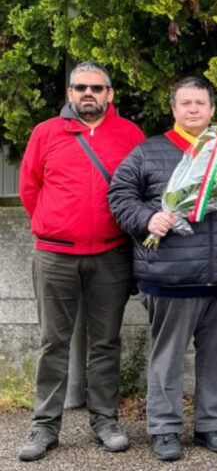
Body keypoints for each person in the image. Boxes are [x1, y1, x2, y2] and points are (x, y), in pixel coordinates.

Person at [107, 77, 217, 461]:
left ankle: (211, 424)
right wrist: (147, 219)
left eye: (200, 103)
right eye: (185, 103)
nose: (193, 109)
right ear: (174, 109)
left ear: (211, 109)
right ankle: (164, 428)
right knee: (168, 358)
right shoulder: (149, 152)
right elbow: (119, 195)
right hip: (170, 274)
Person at [16, 62, 145, 462]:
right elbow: (29, 188)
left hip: (110, 254)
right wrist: (54, 226)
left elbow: (142, 188)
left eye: (96, 88)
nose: (87, 93)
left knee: (105, 341)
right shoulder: (45, 133)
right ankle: (44, 426)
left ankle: (105, 420)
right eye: (80, 87)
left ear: (110, 94)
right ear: (70, 93)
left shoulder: (130, 135)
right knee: (53, 342)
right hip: (55, 255)